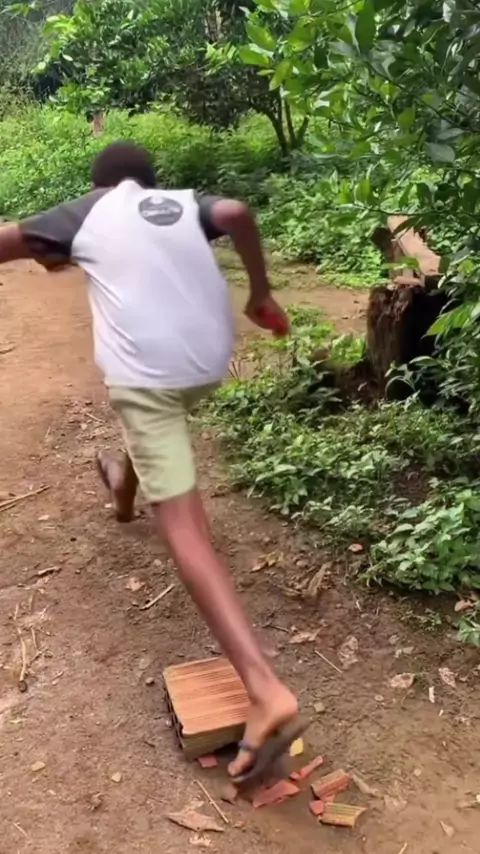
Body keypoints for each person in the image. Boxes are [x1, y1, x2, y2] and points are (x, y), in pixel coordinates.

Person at [0, 141, 304, 782]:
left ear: (100, 185)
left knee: (184, 525)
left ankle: (264, 686)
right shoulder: (179, 204)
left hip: (148, 377)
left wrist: (45, 245)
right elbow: (237, 213)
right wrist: (260, 295)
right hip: (207, 365)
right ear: (148, 180)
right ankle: (122, 490)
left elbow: (8, 242)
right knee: (153, 431)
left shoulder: (89, 210)